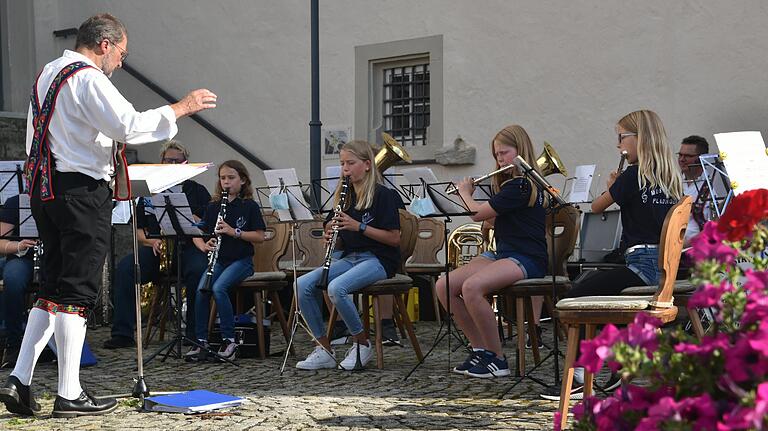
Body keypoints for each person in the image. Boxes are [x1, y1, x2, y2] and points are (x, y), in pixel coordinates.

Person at [0, 13, 216, 418]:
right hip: (80, 191)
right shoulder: (87, 77)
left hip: (46, 191)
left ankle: (20, 379)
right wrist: (181, 107)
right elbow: (128, 126)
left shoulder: (48, 73)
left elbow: (40, 135)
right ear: (104, 44)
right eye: (122, 53)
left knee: (52, 288)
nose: (120, 62)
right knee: (75, 292)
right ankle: (68, 393)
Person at [540, 109, 683, 401]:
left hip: (642, 265)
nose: (618, 145)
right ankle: (619, 367)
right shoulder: (671, 178)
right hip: (666, 267)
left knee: (576, 296)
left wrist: (611, 186)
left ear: (639, 139)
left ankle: (580, 376)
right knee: (601, 297)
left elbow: (596, 207)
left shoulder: (631, 177)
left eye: (621, 137)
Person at [435, 125, 547, 379]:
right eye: (496, 155)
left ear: (521, 152)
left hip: (527, 257)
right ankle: (481, 350)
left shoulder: (520, 185)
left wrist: (465, 193)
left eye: (504, 153)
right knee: (444, 285)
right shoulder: (509, 185)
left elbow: (476, 214)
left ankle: (497, 359)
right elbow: (503, 221)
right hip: (504, 254)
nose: (500, 159)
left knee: (472, 288)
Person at [294, 140, 401, 371]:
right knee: (301, 285)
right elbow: (343, 237)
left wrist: (358, 226)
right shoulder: (345, 195)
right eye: (343, 163)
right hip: (351, 257)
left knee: (336, 288)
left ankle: (362, 344)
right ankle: (324, 349)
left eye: (351, 163)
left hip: (379, 259)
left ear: (367, 165)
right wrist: (331, 235)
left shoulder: (384, 195)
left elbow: (394, 239)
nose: (345, 169)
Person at [103, 140, 210, 349]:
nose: (171, 163)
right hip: (157, 250)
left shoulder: (198, 191)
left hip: (188, 247)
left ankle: (194, 334)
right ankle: (122, 333)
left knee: (199, 271)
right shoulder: (151, 190)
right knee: (126, 269)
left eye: (177, 161)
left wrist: (193, 218)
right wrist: (152, 241)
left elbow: (207, 225)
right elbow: (139, 230)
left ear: (185, 163)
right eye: (167, 160)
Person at [185, 160, 265, 362]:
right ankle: (201, 340)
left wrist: (233, 231)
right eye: (223, 178)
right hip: (219, 260)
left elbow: (259, 236)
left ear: (243, 180)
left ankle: (229, 340)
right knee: (202, 289)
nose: (226, 182)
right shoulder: (213, 207)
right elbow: (196, 230)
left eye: (231, 178)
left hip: (241, 261)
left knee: (219, 288)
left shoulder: (249, 206)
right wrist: (203, 245)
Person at [0, 195, 40, 369]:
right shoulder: (15, 202)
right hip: (22, 256)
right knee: (13, 279)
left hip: (53, 256)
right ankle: (14, 342)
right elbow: (1, 243)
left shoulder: (61, 198)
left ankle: (55, 344)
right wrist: (18, 246)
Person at [677, 135, 711, 245]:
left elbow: (715, 225)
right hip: (671, 248)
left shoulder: (712, 185)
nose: (682, 159)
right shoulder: (673, 183)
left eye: (688, 156)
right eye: (680, 155)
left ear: (701, 158)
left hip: (698, 249)